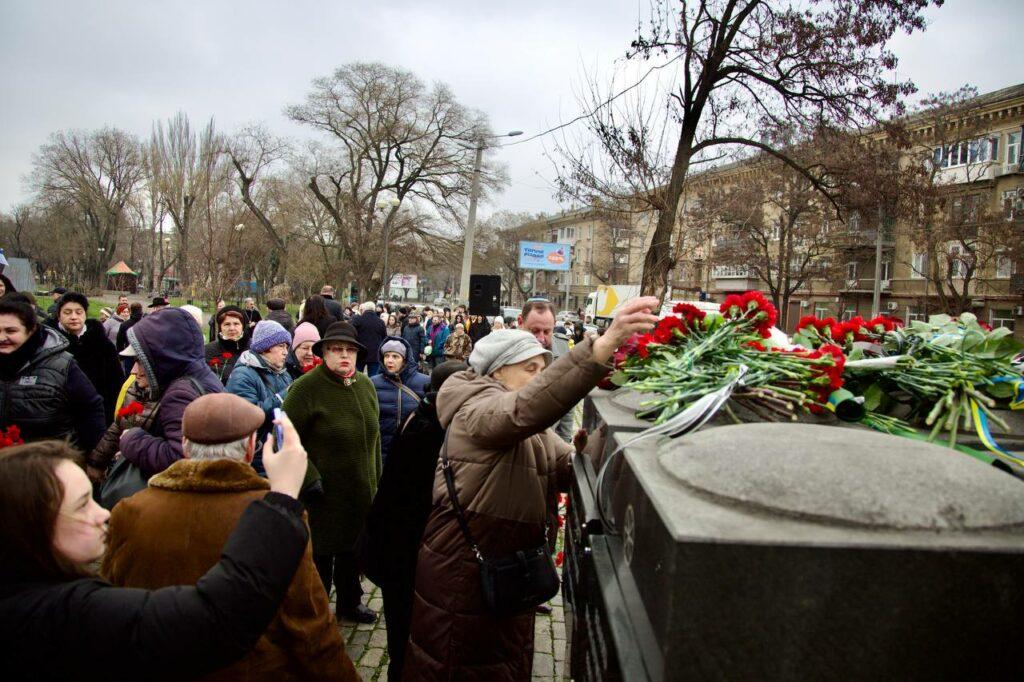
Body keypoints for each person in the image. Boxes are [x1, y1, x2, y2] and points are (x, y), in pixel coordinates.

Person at [405, 297, 659, 679]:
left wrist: (617, 426)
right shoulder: (477, 411)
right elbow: (523, 409)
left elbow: (570, 468)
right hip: (463, 576)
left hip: (505, 574)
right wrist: (601, 348)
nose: (539, 377)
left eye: (544, 368)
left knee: (501, 664)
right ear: (497, 372)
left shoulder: (528, 427)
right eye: (530, 369)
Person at [0, 415, 319, 681]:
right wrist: (283, 497)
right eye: (83, 505)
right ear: (31, 526)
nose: (103, 514)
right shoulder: (66, 614)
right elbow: (213, 621)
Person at [101, 394, 357, 681]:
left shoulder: (129, 511)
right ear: (251, 448)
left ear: (185, 446)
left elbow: (109, 609)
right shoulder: (276, 516)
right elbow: (308, 622)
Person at [362, 360, 466, 682]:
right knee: (405, 634)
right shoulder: (431, 429)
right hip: (403, 552)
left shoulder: (424, 414)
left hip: (396, 546)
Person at [282, 321, 381, 624]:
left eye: (350, 350)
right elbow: (284, 435)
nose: (344, 355)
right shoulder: (305, 389)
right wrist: (310, 478)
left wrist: (378, 481)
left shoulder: (365, 385)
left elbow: (374, 439)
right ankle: (316, 613)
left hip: (359, 491)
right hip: (322, 495)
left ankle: (350, 603)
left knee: (353, 553)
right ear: (323, 352)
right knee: (321, 557)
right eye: (336, 349)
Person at [118, 308, 223, 477]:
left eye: (140, 360)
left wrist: (131, 440)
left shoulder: (180, 393)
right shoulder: (201, 377)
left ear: (161, 357)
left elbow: (180, 459)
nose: (133, 371)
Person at [0, 296, 105, 452]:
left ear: (31, 330)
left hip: (51, 465)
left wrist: (95, 460)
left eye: (11, 331)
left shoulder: (61, 365)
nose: (2, 338)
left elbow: (90, 409)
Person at [225, 320, 294, 475]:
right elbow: (246, 417)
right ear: (265, 348)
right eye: (281, 346)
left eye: (287, 347)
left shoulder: (282, 373)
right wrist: (284, 396)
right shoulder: (243, 375)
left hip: (277, 453)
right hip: (256, 458)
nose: (285, 352)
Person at [50, 292, 124, 424]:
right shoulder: (49, 344)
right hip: (57, 416)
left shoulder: (102, 343)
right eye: (67, 312)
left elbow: (116, 382)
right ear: (59, 315)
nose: (74, 317)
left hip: (97, 413)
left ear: (85, 314)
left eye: (79, 312)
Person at [520, 299, 575, 441]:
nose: (541, 338)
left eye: (547, 331)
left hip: (550, 443)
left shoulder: (563, 351)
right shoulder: (503, 351)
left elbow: (567, 402)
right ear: (520, 322)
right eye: (535, 331)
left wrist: (564, 442)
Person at [370, 337, 429, 462]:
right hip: (383, 451)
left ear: (404, 359)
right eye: (386, 356)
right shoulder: (373, 383)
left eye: (395, 356)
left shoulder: (424, 382)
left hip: (413, 450)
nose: (389, 361)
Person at [204, 305, 249, 384]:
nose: (232, 328)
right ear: (220, 327)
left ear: (243, 326)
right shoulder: (207, 351)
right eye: (227, 324)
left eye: (236, 324)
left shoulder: (254, 349)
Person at [351, 301, 387, 376]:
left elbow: (351, 334)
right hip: (375, 354)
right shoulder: (380, 322)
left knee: (356, 376)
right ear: (374, 309)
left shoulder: (358, 320)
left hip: (360, 352)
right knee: (374, 377)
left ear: (363, 309)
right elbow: (384, 338)